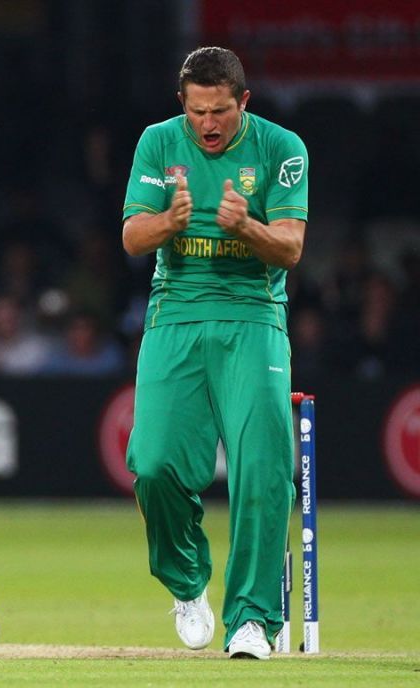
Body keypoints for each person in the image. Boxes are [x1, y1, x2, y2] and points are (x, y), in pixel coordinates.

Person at [121, 47, 308, 660]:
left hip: (253, 317)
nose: (209, 123)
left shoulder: (282, 148)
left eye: (221, 111)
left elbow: (290, 249)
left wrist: (246, 228)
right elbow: (131, 236)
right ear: (184, 105)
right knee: (152, 464)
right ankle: (186, 582)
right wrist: (170, 224)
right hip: (174, 312)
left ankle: (253, 617)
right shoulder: (157, 141)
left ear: (243, 103)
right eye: (198, 110)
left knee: (262, 468)